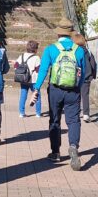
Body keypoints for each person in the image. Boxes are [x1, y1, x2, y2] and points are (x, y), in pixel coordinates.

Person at [29, 18, 86, 170]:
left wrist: (36, 88)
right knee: (73, 121)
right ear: (70, 34)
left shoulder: (50, 49)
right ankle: (73, 146)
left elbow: (43, 71)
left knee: (55, 120)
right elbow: (83, 74)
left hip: (55, 90)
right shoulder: (79, 50)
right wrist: (77, 88)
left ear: (58, 33)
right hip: (73, 91)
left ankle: (55, 152)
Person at [72, 32, 98, 122]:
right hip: (87, 76)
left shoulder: (74, 51)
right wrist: (93, 75)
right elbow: (93, 64)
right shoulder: (88, 51)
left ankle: (76, 113)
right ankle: (86, 115)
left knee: (76, 95)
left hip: (76, 76)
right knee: (85, 95)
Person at [15, 40, 43, 118]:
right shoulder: (36, 57)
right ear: (35, 49)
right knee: (36, 95)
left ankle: (21, 112)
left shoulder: (22, 55)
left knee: (23, 95)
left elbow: (16, 65)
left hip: (23, 79)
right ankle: (38, 113)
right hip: (33, 80)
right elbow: (38, 70)